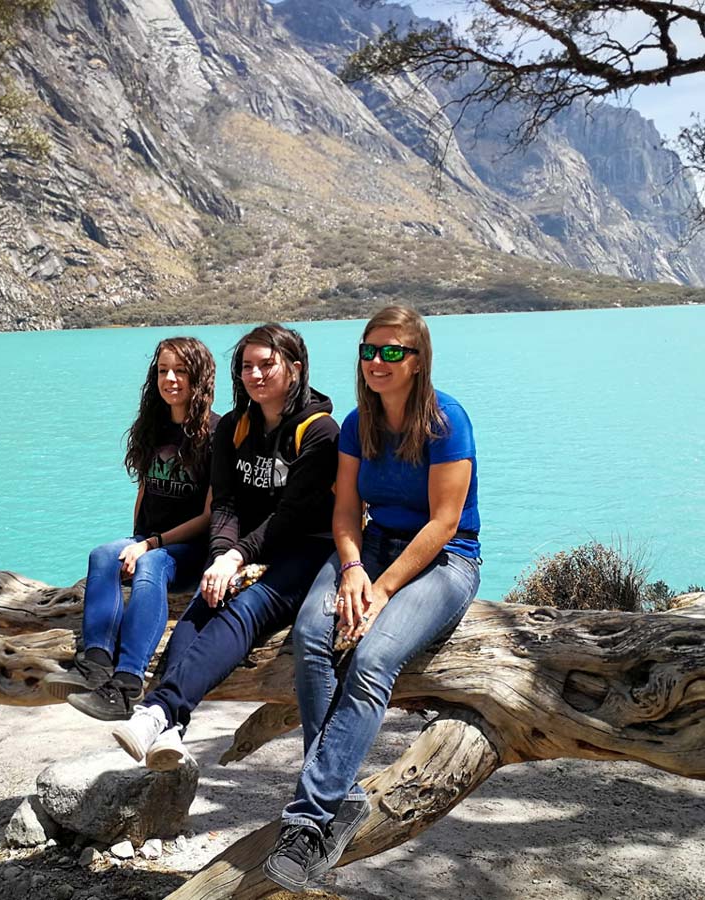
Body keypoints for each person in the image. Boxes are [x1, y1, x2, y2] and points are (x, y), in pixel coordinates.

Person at [263, 306, 482, 893]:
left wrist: (382, 591)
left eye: (393, 352)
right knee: (311, 636)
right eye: (370, 350)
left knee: (372, 661)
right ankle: (340, 794)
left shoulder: (446, 421)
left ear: (417, 360)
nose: (378, 362)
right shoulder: (359, 423)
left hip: (445, 561)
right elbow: (344, 512)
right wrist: (355, 568)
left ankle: (309, 820)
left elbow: (443, 523)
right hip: (370, 549)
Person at [110, 322, 340, 771]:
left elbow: (290, 517)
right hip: (246, 546)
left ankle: (158, 709)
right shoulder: (234, 428)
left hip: (306, 547)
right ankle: (173, 728)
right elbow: (227, 505)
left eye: (266, 365)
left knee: (247, 609)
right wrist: (219, 559)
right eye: (246, 367)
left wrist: (236, 557)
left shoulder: (320, 432)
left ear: (294, 368)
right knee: (204, 601)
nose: (254, 375)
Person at [44, 337, 218, 720]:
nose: (170, 379)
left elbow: (209, 516)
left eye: (180, 371)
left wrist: (150, 546)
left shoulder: (216, 434)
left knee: (152, 566)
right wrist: (134, 541)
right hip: (151, 540)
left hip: (190, 550)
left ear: (199, 377)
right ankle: (96, 664)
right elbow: (144, 493)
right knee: (103, 554)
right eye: (162, 371)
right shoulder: (153, 428)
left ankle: (126, 685)